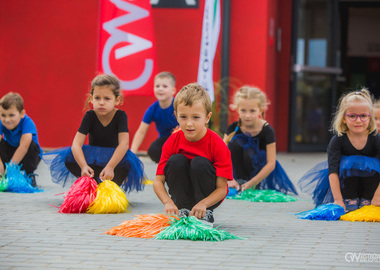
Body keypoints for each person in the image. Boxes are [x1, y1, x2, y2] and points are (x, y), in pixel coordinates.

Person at [43, 74, 144, 192]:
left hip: (114, 161)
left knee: (128, 162)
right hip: (93, 161)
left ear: (117, 100)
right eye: (97, 98)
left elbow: (124, 144)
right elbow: (76, 144)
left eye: (107, 98)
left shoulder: (121, 116)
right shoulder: (90, 116)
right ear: (91, 98)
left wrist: (110, 167)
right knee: (69, 157)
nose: (101, 103)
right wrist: (83, 166)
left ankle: (110, 186)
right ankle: (91, 182)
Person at [153, 83, 233, 227]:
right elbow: (158, 181)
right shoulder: (172, 141)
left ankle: (205, 213)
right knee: (176, 160)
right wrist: (168, 203)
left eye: (196, 117)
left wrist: (204, 203)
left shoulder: (217, 143)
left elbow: (222, 189)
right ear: (176, 116)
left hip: (208, 197)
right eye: (183, 117)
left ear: (207, 118)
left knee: (199, 163)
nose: (189, 124)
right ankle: (182, 209)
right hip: (181, 195)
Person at [298, 89, 380, 211]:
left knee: (373, 164)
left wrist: (377, 197)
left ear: (370, 118)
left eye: (363, 116)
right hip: (346, 187)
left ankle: (367, 198)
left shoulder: (375, 139)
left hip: (372, 189)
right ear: (343, 118)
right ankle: (350, 198)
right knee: (347, 163)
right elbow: (333, 171)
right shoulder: (338, 140)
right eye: (352, 116)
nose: (358, 120)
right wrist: (338, 200)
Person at [223, 86, 297, 194]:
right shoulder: (233, 128)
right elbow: (220, 156)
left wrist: (252, 182)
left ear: (260, 110)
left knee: (249, 150)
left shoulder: (267, 131)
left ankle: (250, 183)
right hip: (234, 174)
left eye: (252, 111)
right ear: (237, 109)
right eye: (243, 110)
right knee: (235, 144)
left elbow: (271, 163)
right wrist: (229, 178)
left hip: (259, 173)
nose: (247, 115)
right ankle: (238, 181)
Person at [131, 72, 178, 163]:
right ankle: (167, 164)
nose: (160, 89)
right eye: (157, 86)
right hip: (165, 140)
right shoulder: (152, 109)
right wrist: (133, 152)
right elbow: (141, 131)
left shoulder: (178, 105)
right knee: (153, 151)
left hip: (181, 138)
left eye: (164, 86)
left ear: (173, 90)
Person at [0, 92, 42, 186]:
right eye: (3, 115)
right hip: (12, 151)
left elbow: (23, 147)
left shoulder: (27, 122)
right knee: (1, 144)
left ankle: (28, 175)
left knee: (31, 145)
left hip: (30, 154)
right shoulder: (1, 123)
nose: (7, 120)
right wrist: (1, 168)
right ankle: (4, 176)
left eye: (11, 115)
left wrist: (10, 169)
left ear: (22, 113)